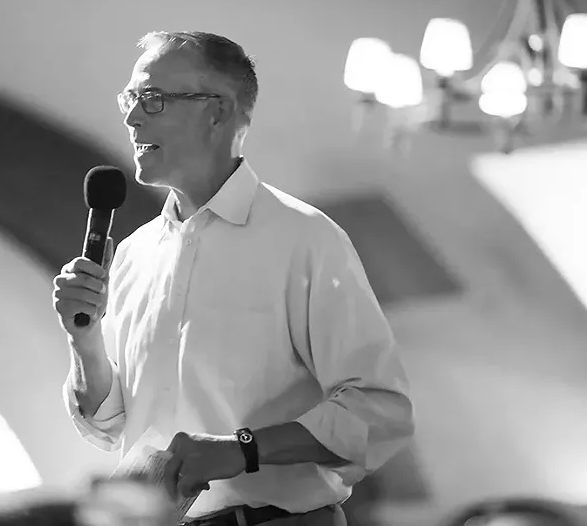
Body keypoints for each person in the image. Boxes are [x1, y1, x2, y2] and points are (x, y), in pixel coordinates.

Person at [53, 31, 415, 526]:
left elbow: (380, 412)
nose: (132, 116)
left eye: (152, 99)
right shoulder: (134, 253)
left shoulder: (305, 238)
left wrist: (242, 449)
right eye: (130, 99)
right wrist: (84, 339)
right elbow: (108, 424)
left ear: (217, 111)